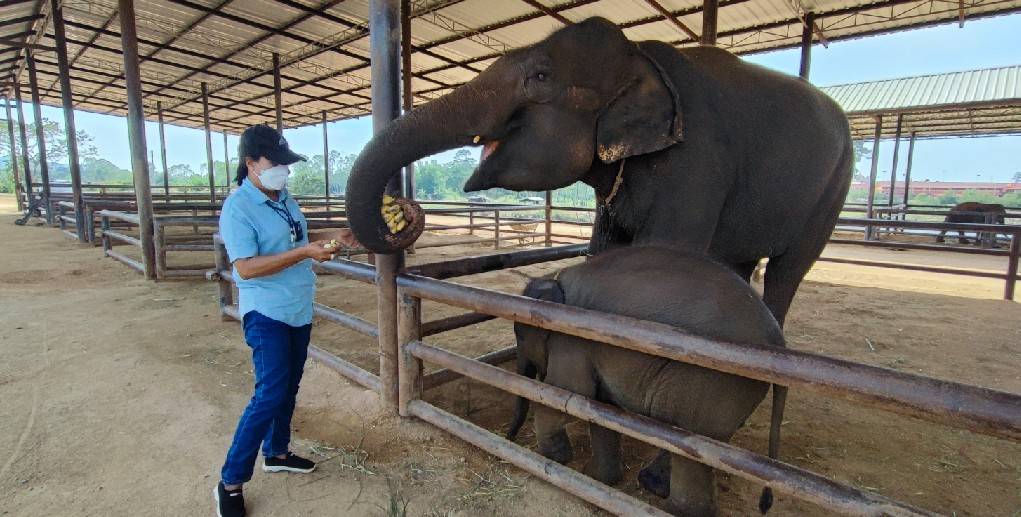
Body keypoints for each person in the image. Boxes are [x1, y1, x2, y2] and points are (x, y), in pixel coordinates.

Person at [214, 125, 357, 517]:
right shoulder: (239, 207)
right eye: (274, 163)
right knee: (269, 394)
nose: (283, 170)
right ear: (250, 164)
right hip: (266, 312)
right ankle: (230, 481)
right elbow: (245, 267)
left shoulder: (284, 199)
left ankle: (277, 452)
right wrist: (305, 253)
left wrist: (334, 238)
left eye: (285, 163)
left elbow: (295, 244)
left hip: (297, 307)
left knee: (288, 386)